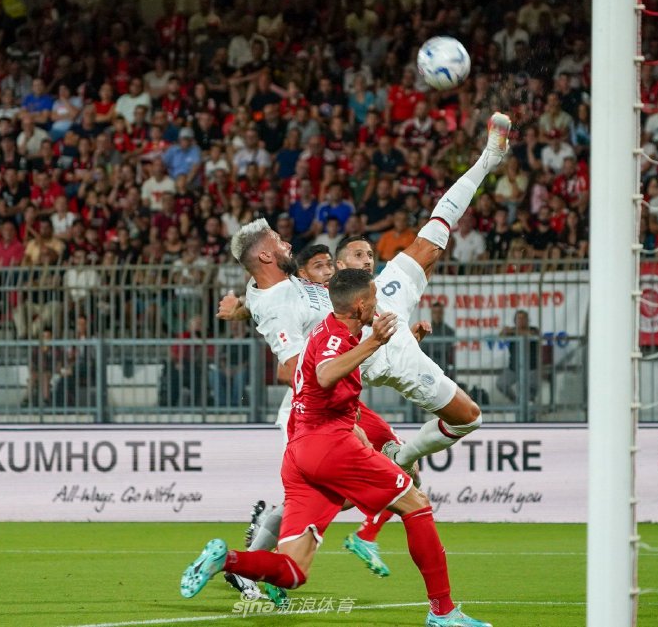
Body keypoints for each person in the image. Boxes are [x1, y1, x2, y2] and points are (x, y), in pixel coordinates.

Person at [181, 269, 492, 627]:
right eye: (373, 301)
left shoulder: (338, 332)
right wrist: (374, 342)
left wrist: (400, 341)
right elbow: (327, 373)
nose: (377, 307)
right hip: (327, 445)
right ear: (360, 306)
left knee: (294, 570)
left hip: (301, 452)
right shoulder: (335, 337)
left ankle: (227, 561)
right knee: (416, 504)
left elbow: (343, 373)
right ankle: (442, 612)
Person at [496, 310, 541, 404]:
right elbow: (500, 336)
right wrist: (504, 331)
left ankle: (528, 405)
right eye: (518, 318)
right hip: (514, 368)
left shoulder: (534, 330)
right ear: (514, 321)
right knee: (501, 383)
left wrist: (512, 330)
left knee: (527, 394)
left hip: (531, 368)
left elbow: (530, 334)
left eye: (523, 318)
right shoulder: (512, 331)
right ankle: (516, 402)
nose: (521, 321)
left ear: (528, 320)